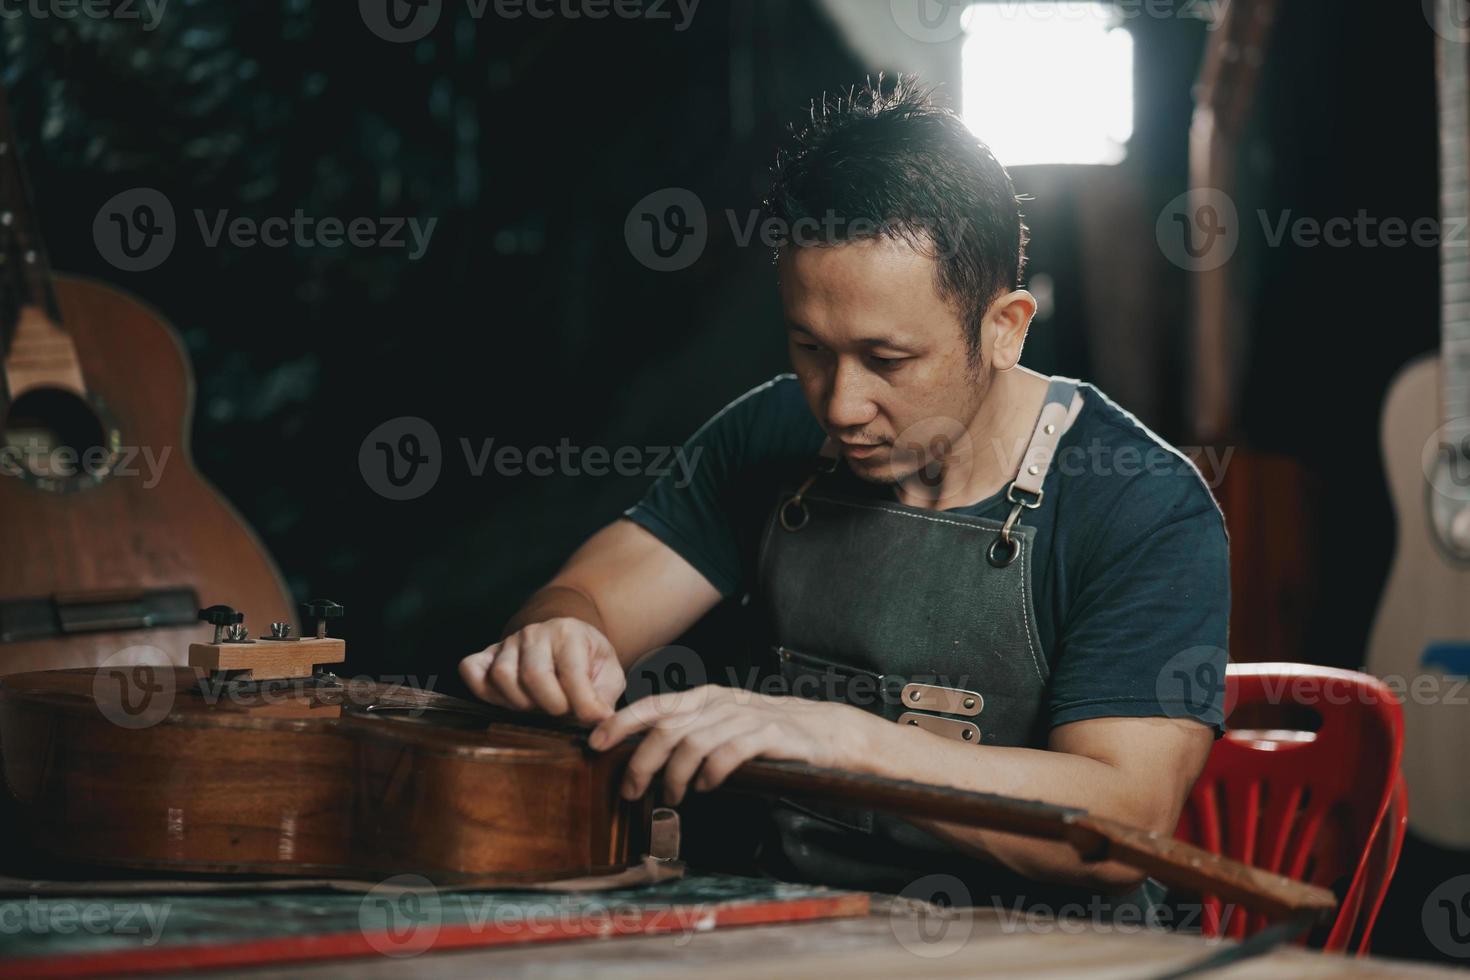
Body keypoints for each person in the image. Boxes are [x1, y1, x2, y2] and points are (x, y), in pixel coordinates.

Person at [460, 77, 1229, 914]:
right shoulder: (770, 435)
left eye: (887, 360)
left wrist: (853, 742)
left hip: (1044, 956)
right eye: (809, 346)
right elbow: (584, 598)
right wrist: (553, 639)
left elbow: (1127, 827)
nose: (838, 403)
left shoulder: (1140, 504)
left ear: (1004, 327)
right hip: (798, 930)